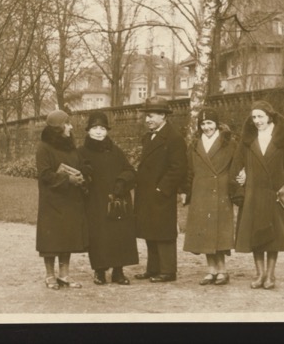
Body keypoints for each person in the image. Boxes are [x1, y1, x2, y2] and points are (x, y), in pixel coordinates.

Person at [230, 100, 284, 290]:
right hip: (253, 194)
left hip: (274, 195)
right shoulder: (247, 141)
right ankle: (259, 274)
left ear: (270, 117)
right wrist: (240, 179)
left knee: (273, 237)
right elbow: (237, 165)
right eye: (253, 117)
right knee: (256, 236)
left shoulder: (282, 139)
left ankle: (270, 275)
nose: (257, 121)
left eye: (260, 116)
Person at [78, 112, 138, 286]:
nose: (99, 132)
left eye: (102, 128)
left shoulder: (115, 150)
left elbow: (130, 170)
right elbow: (78, 174)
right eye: (95, 128)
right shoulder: (81, 152)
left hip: (117, 200)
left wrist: (122, 181)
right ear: (88, 131)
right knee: (98, 236)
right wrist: (85, 175)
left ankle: (118, 272)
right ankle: (99, 271)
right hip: (95, 201)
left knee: (119, 234)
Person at [133, 96, 188, 283]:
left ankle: (168, 271)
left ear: (163, 116)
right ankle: (153, 268)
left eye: (152, 116)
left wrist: (162, 189)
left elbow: (178, 168)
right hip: (147, 192)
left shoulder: (173, 138)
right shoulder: (149, 136)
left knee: (164, 232)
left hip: (161, 193)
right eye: (146, 116)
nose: (147, 120)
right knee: (150, 230)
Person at [182, 108, 238, 286]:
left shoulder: (228, 143)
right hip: (201, 191)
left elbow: (237, 165)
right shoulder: (195, 144)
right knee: (205, 231)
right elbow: (189, 170)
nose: (206, 127)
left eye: (210, 123)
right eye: (203, 124)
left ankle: (223, 270)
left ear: (217, 124)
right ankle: (211, 270)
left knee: (219, 232)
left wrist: (239, 181)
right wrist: (186, 190)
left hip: (220, 190)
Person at [36, 109, 88, 290]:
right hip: (52, 201)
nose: (71, 127)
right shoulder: (43, 147)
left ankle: (64, 276)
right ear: (58, 128)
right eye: (67, 123)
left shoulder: (70, 146)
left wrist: (81, 176)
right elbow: (44, 175)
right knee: (51, 240)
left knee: (67, 237)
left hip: (70, 199)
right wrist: (68, 179)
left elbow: (78, 165)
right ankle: (50, 276)